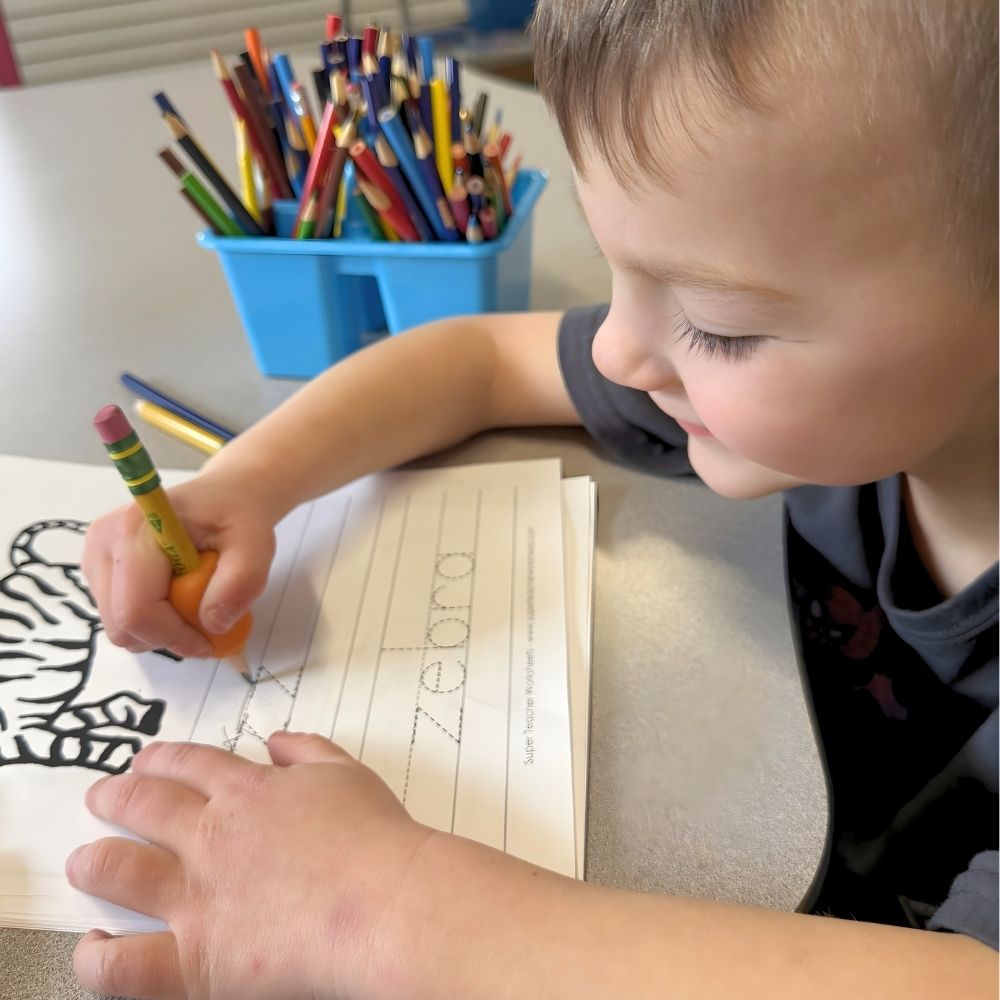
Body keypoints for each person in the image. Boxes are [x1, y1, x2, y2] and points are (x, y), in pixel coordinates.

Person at [72, 0, 998, 996]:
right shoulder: (872, 393)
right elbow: (476, 359)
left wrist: (391, 911)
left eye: (717, 325)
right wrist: (248, 481)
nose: (617, 351)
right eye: (614, 268)